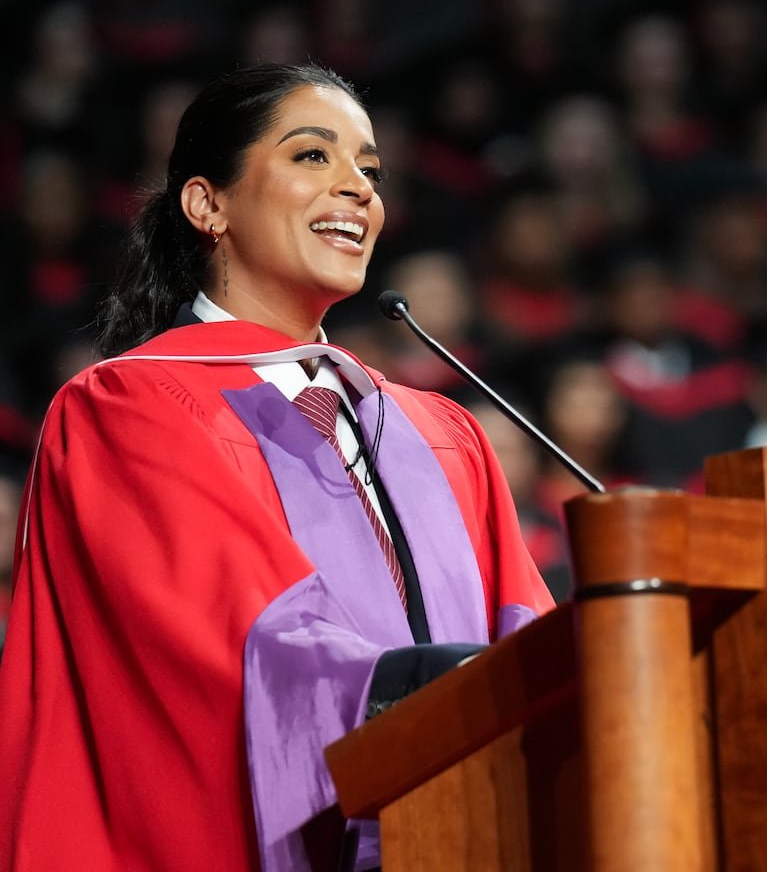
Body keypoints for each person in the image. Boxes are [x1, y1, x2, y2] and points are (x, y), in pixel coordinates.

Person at [0, 63, 553, 871]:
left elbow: (529, 635)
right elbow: (236, 646)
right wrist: (440, 700)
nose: (359, 189)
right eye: (312, 156)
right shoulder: (126, 408)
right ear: (207, 204)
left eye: (370, 169)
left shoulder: (440, 431)